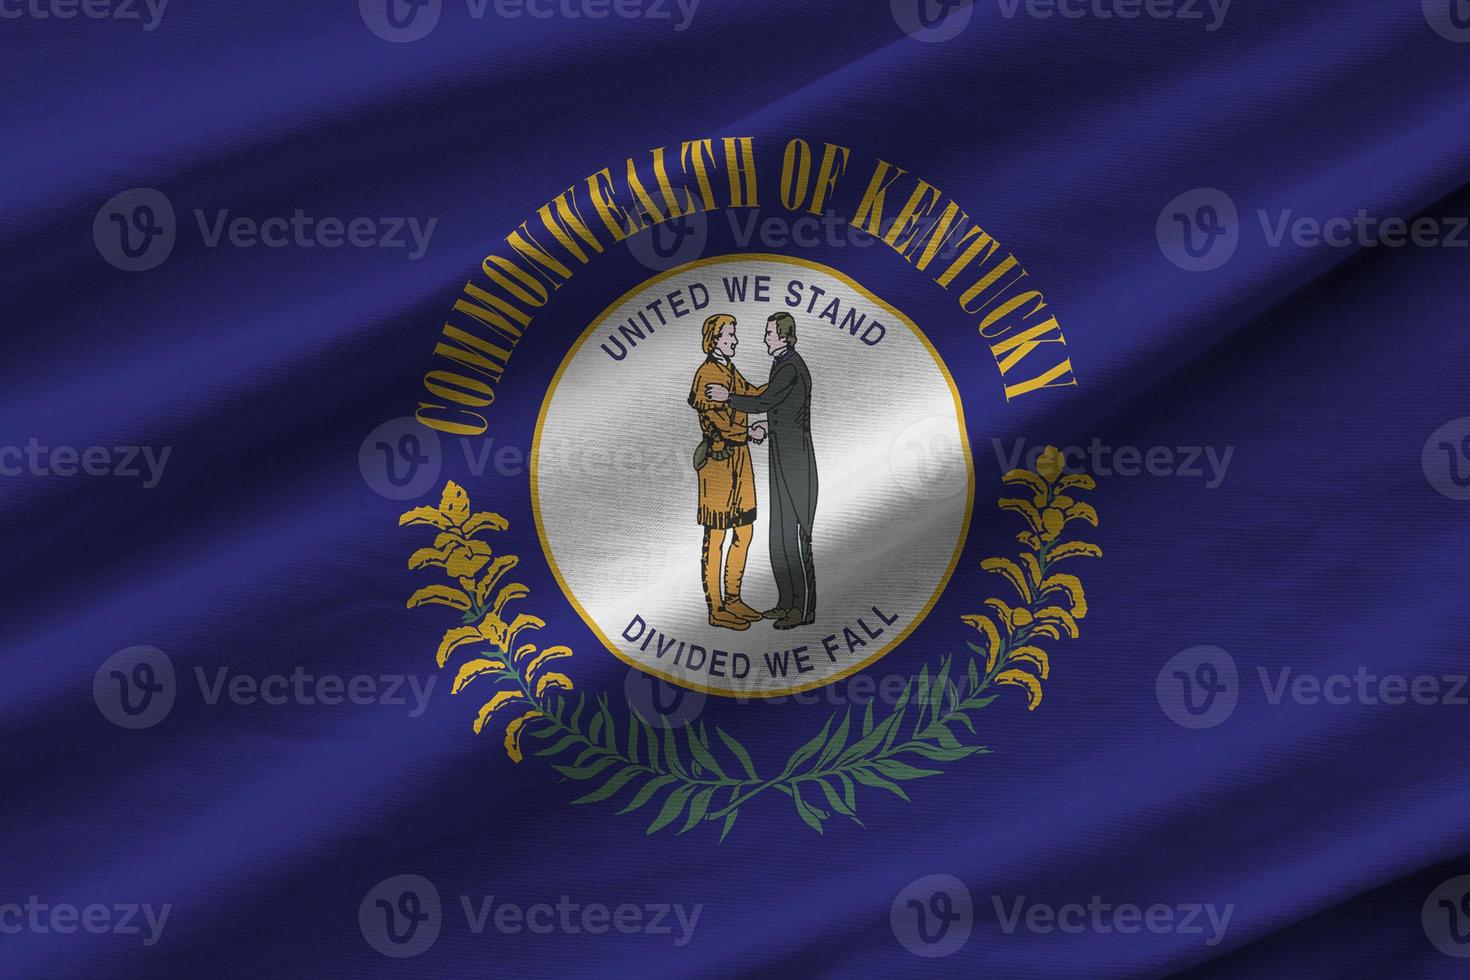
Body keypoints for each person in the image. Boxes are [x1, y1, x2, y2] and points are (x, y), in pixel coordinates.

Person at [706, 311, 816, 630]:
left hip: (796, 459)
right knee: (779, 532)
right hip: (780, 454)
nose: (765, 338)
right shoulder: (781, 363)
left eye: (769, 333)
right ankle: (786, 603)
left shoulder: (791, 365)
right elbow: (768, 399)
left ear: (783, 336)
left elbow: (764, 400)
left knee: (796, 534)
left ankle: (802, 610)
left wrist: (729, 398)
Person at [688, 314, 769, 631]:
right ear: (714, 338)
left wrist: (779, 383)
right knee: (717, 534)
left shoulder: (729, 370)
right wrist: (751, 432)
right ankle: (716, 607)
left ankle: (734, 598)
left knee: (744, 531)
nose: (734, 340)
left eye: (733, 335)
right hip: (718, 463)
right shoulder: (708, 373)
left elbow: (752, 396)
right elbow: (722, 422)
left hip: (739, 460)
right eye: (729, 335)